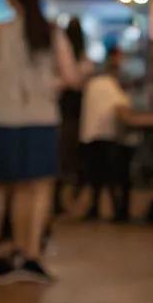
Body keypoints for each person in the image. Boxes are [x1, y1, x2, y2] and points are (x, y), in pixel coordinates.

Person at [0, 0, 79, 280]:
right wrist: (52, 83)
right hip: (41, 117)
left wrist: (0, 81)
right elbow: (71, 77)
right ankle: (30, 252)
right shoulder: (51, 33)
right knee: (37, 186)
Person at [79, 47, 132, 221]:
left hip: (88, 136)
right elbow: (123, 110)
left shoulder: (94, 83)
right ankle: (119, 211)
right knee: (114, 175)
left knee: (96, 177)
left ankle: (95, 209)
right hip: (106, 137)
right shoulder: (109, 85)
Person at [58, 17, 93, 210]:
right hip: (78, 114)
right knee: (72, 158)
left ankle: (58, 200)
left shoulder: (61, 61)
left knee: (62, 157)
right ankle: (67, 198)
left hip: (63, 113)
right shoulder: (84, 61)